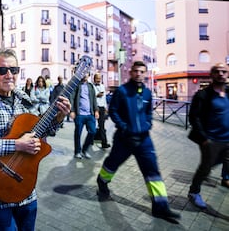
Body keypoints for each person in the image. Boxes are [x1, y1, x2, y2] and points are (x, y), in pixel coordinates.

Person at [0, 48, 71, 231]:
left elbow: (42, 132)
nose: (9, 75)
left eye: (13, 70)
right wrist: (16, 144)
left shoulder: (25, 100)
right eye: (2, 70)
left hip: (26, 188)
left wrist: (59, 118)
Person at [96, 61, 181, 221]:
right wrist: (124, 127)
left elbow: (148, 113)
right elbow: (113, 111)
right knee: (112, 164)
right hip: (124, 139)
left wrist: (148, 123)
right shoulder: (122, 91)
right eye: (136, 71)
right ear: (131, 72)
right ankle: (102, 182)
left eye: (142, 71)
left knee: (153, 172)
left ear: (146, 73)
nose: (139, 74)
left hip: (144, 140)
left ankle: (161, 207)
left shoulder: (148, 93)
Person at [187, 62, 229, 209]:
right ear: (211, 75)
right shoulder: (203, 95)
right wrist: (204, 139)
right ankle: (194, 192)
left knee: (224, 162)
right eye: (217, 71)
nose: (221, 74)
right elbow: (194, 117)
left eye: (224, 71)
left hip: (227, 138)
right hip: (211, 140)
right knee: (206, 168)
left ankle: (225, 178)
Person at [69, 72, 99, 159]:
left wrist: (96, 110)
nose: (84, 75)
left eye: (86, 74)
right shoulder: (77, 85)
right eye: (83, 73)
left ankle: (84, 150)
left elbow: (94, 99)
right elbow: (72, 98)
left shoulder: (90, 86)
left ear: (89, 75)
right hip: (80, 114)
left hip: (90, 114)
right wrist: (72, 111)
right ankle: (77, 152)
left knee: (93, 132)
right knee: (78, 133)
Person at [93, 73, 110, 148]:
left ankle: (104, 143)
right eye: (97, 78)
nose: (99, 80)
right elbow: (94, 96)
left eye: (100, 78)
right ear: (94, 79)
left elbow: (104, 98)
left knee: (102, 126)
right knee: (92, 125)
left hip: (102, 108)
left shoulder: (103, 86)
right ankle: (90, 141)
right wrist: (98, 94)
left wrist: (106, 107)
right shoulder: (92, 86)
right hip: (95, 107)